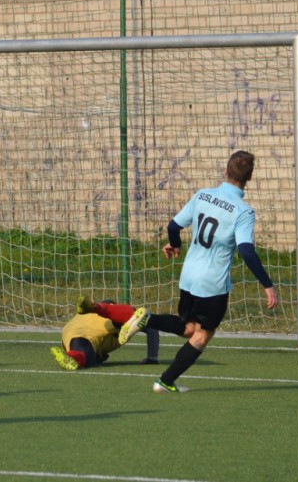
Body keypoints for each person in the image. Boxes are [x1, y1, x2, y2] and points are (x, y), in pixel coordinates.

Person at [145, 150, 279, 394]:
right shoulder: (244, 211)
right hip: (212, 284)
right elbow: (246, 251)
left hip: (188, 276)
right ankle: (165, 381)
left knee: (189, 327)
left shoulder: (203, 195)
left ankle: (146, 319)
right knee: (203, 335)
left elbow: (173, 226)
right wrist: (267, 284)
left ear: (226, 172)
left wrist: (175, 244)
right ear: (249, 178)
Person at [50, 297, 157, 371]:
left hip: (68, 336)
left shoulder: (88, 316)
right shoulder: (105, 318)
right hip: (83, 338)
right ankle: (73, 357)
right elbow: (151, 326)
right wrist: (152, 357)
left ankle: (71, 356)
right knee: (85, 357)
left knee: (91, 358)